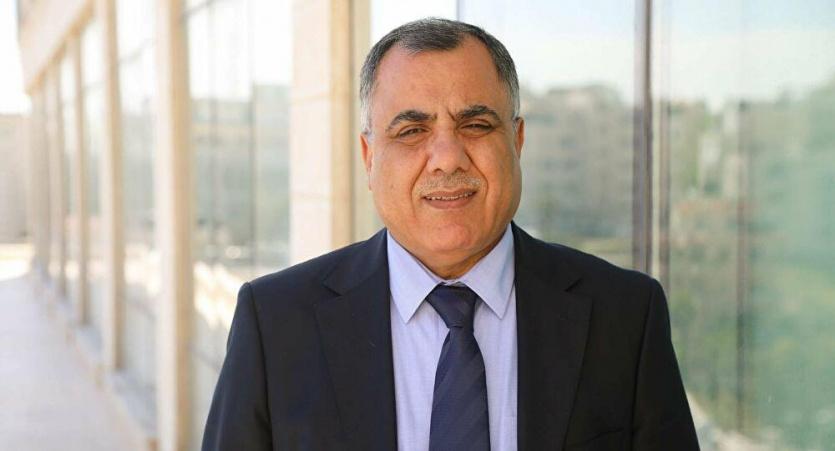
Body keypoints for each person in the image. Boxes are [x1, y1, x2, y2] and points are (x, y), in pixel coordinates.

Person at [202, 18, 699, 451]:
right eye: (411, 131)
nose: (446, 158)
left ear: (517, 140)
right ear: (370, 157)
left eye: (476, 125)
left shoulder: (625, 316)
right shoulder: (275, 325)